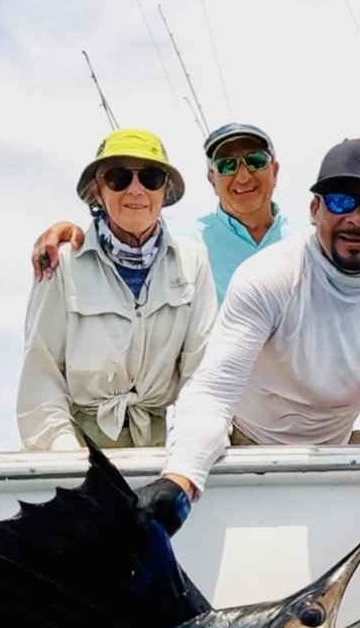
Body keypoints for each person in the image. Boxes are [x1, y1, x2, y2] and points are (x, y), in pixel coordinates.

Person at [136, 138, 360, 535]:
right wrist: (180, 479)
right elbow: (212, 392)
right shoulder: (268, 278)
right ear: (314, 211)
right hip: (239, 449)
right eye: (341, 202)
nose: (358, 218)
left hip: (340, 454)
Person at [17, 128, 216, 451]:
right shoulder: (61, 262)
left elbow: (201, 373)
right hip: (80, 448)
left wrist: (184, 459)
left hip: (166, 448)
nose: (135, 189)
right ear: (97, 190)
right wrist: (71, 460)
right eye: (118, 177)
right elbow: (41, 377)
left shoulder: (194, 261)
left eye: (151, 178)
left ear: (165, 190)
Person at [32, 123, 306, 304]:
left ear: (275, 171)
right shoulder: (182, 244)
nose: (243, 176)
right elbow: (122, 248)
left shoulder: (311, 240)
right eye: (227, 165)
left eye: (256, 161)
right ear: (212, 179)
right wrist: (68, 232)